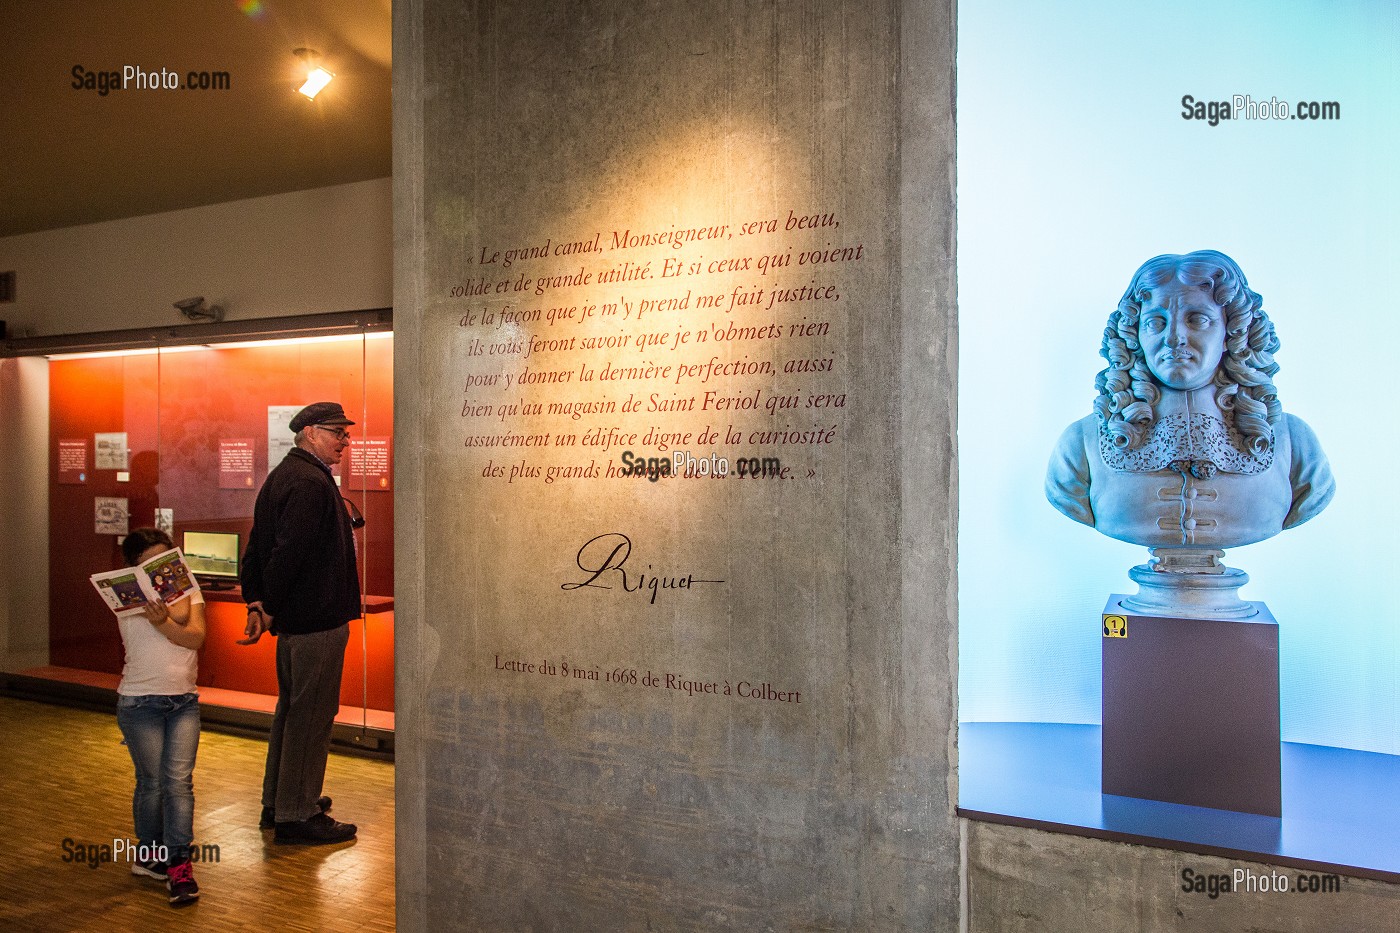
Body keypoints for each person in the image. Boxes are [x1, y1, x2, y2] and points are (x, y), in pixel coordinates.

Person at [1046, 250, 1334, 551]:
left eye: (1197, 319)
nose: (1174, 336)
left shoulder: (1295, 444)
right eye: (1155, 322)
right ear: (1135, 335)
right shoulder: (1081, 443)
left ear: (1231, 332)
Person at [239, 401, 360, 844]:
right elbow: (287, 554)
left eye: (346, 433)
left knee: (292, 713)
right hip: (316, 620)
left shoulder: (287, 475)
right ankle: (297, 813)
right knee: (311, 715)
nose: (345, 441)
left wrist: (257, 601)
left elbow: (258, 546)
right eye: (337, 433)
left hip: (299, 619)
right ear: (310, 432)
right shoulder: (309, 482)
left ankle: (281, 800)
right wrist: (267, 603)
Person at [114, 527, 205, 906]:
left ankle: (179, 868)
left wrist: (163, 622)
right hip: (139, 702)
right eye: (148, 562)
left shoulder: (188, 588)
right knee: (151, 784)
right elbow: (179, 623)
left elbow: (195, 636)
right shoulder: (127, 595)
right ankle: (150, 856)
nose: (159, 569)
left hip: (184, 701)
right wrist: (169, 620)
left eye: (165, 559)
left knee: (178, 785)